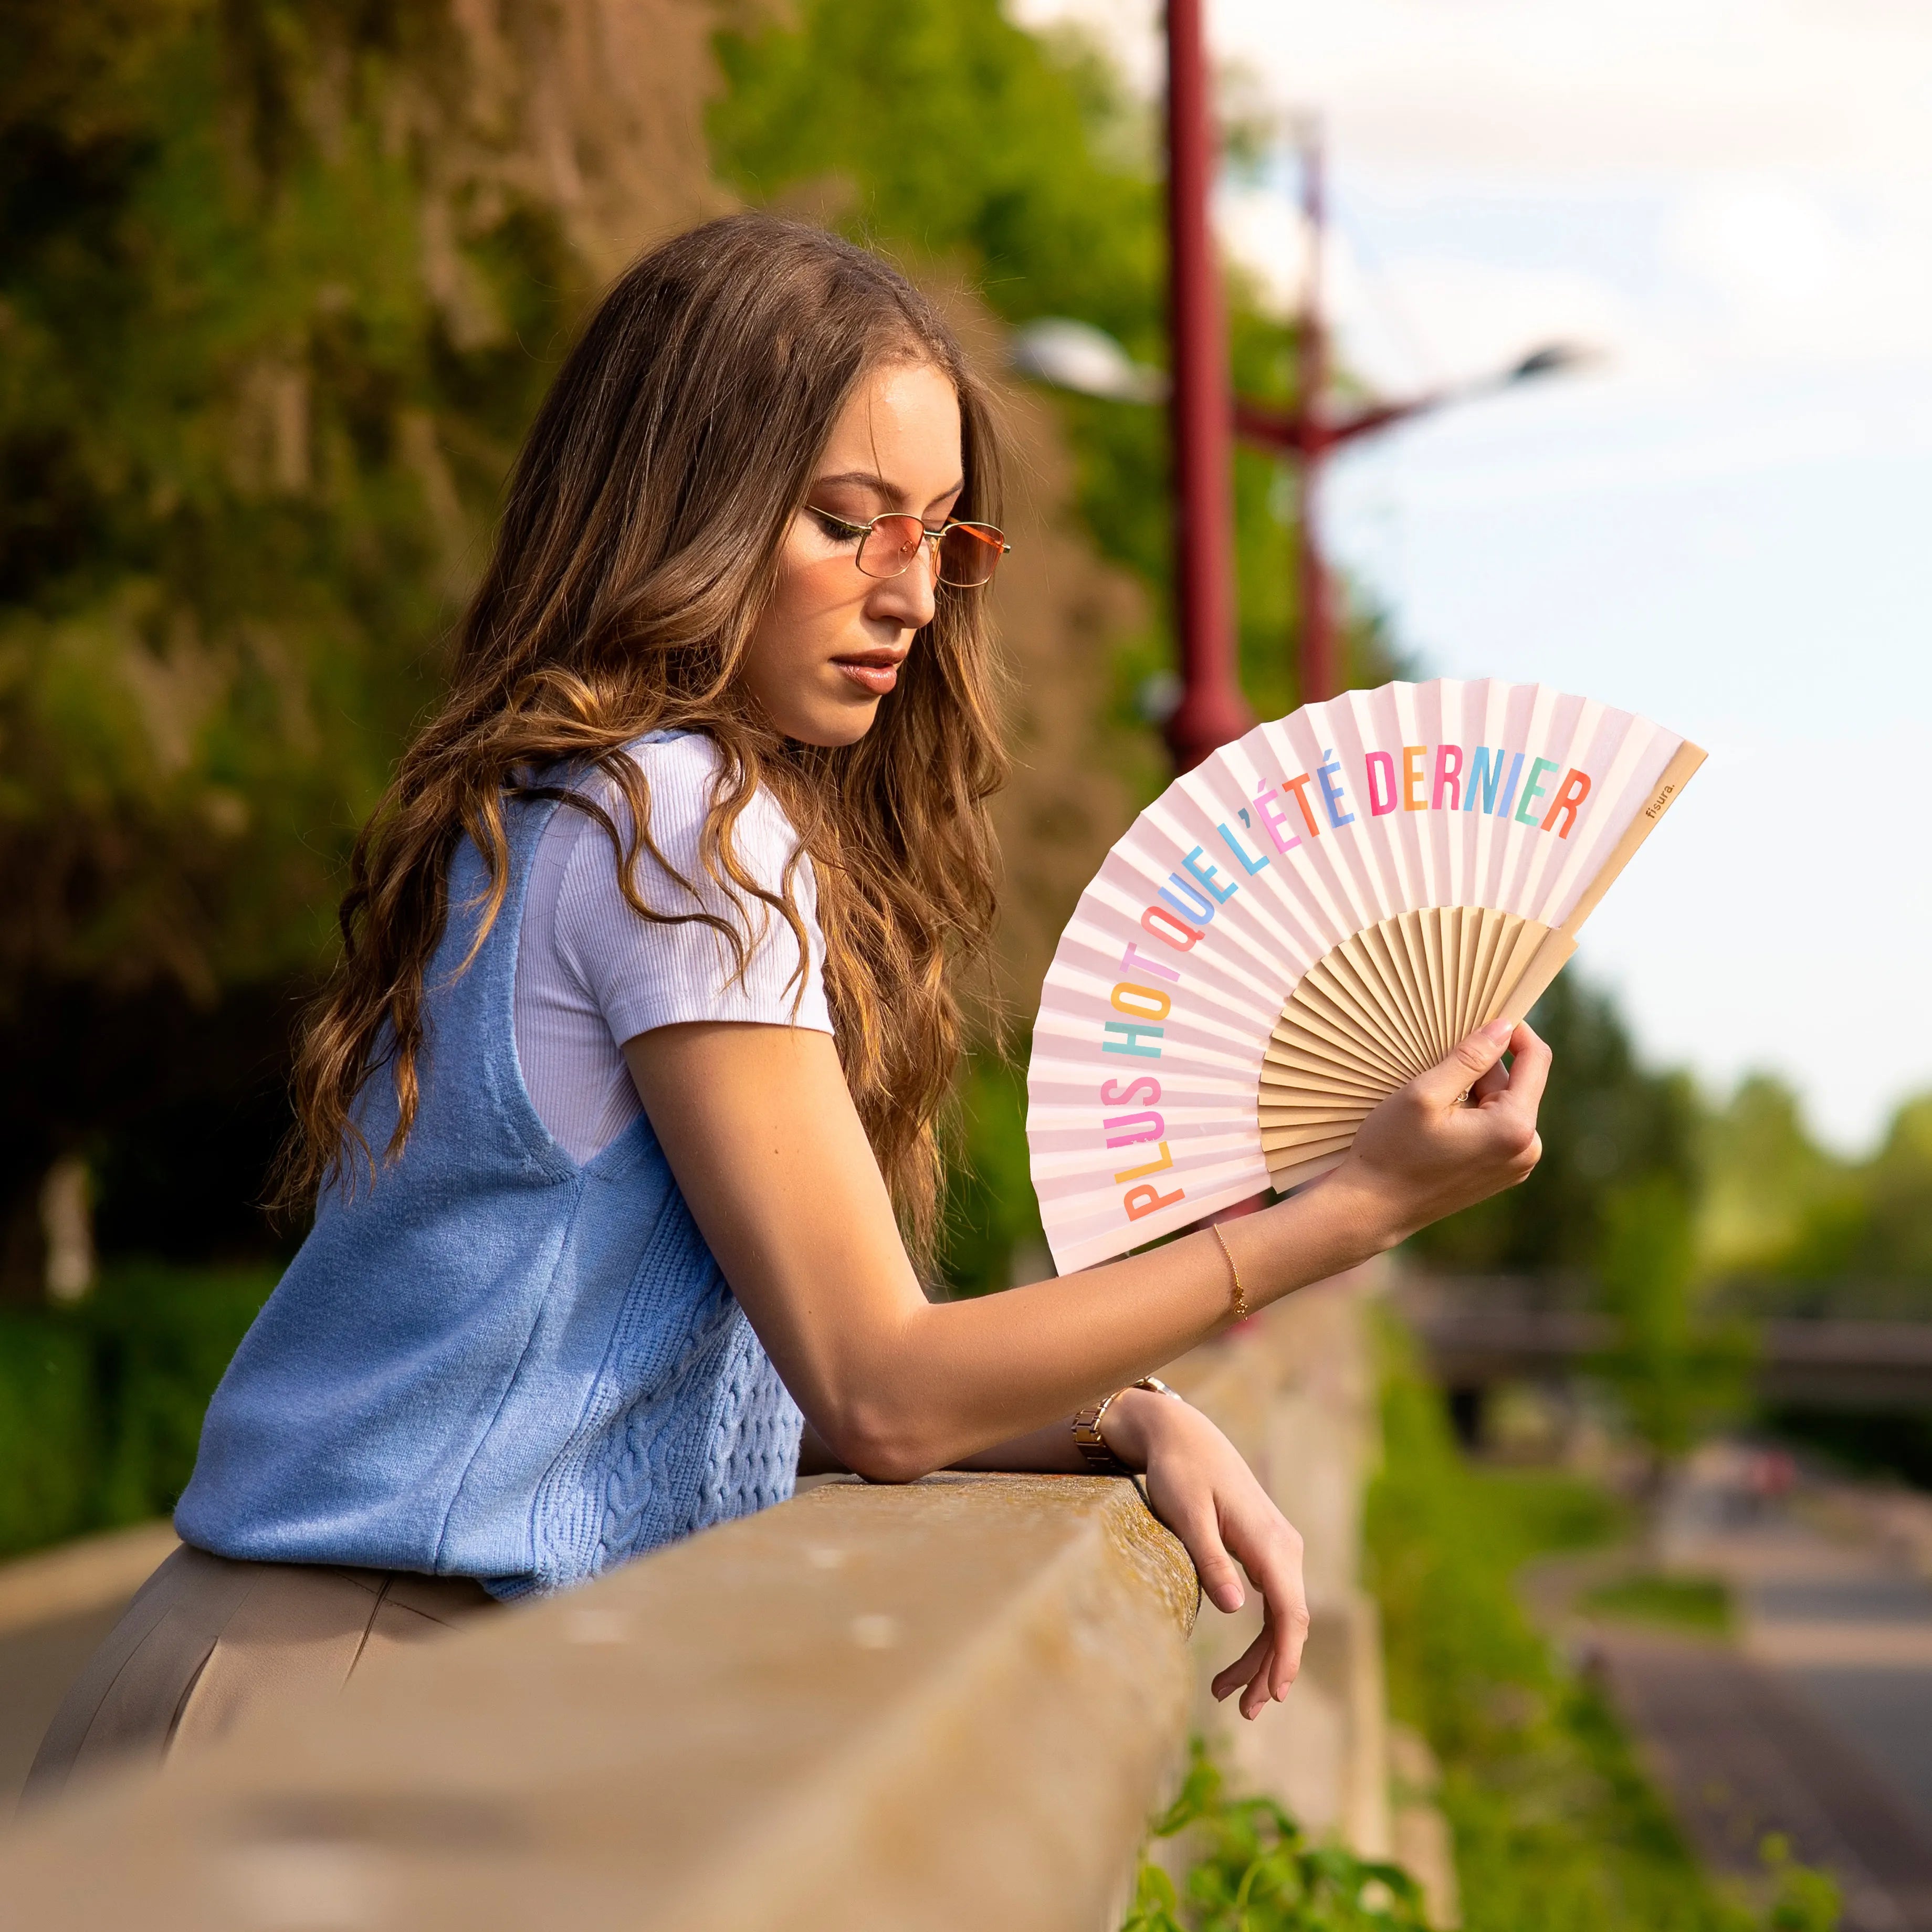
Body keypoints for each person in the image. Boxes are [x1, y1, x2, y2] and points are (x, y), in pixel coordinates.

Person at [26, 214, 1548, 1803]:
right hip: (342, 1705)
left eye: (943, 539)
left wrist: (1114, 1416)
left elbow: (731, 1384)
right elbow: (881, 1391)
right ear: (683, 508)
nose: (911, 596)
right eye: (845, 523)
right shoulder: (680, 827)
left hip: (298, 1685)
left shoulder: (578, 805)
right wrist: (1355, 1206)